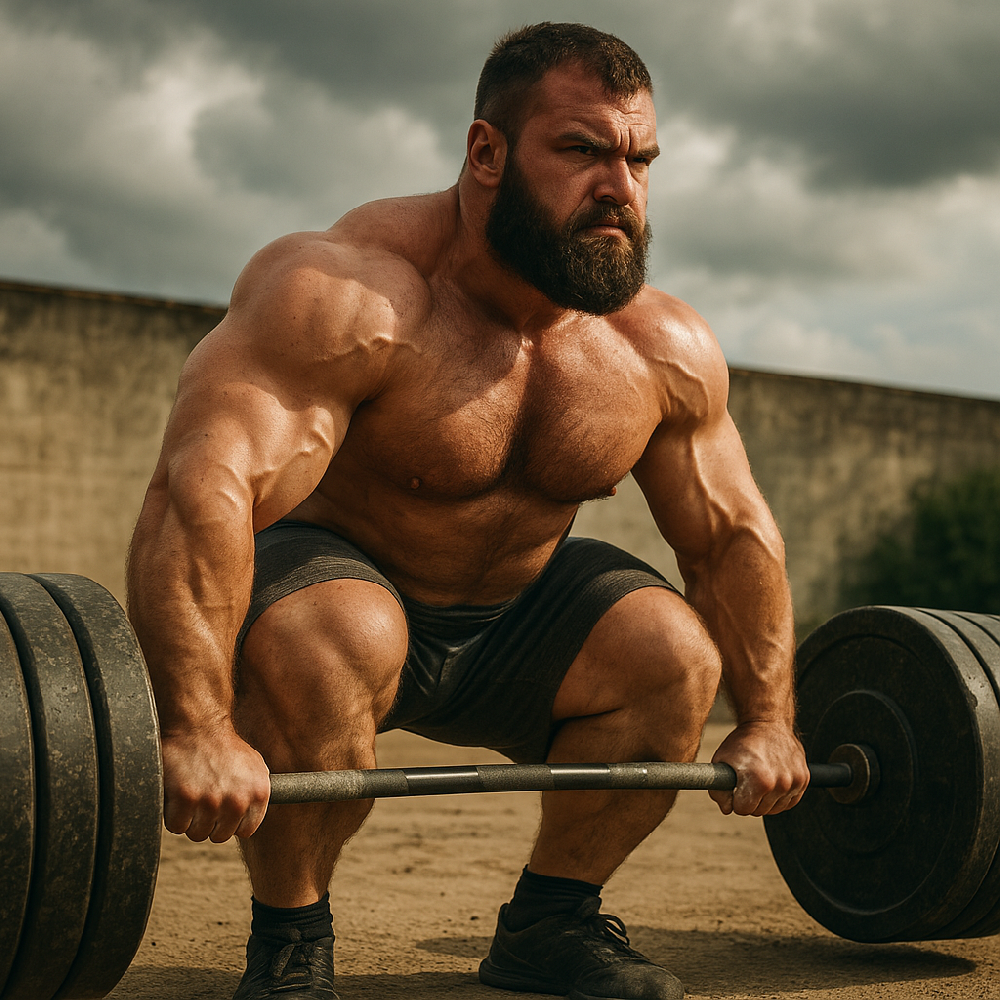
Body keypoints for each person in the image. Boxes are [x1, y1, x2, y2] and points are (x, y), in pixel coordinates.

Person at [127, 22, 809, 1000]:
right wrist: (196, 721)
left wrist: (773, 720)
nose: (618, 186)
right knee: (343, 631)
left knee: (675, 655)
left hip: (514, 621)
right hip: (335, 591)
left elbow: (730, 536)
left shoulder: (656, 345)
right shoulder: (350, 294)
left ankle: (549, 923)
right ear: (485, 153)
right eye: (581, 151)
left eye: (639, 159)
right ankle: (291, 935)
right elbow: (203, 486)